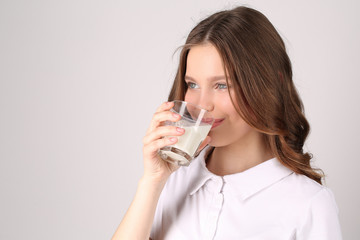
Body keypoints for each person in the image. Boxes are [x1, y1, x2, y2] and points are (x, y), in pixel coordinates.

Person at [112, 6, 342, 240]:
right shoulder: (171, 181)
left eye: (221, 85)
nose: (202, 104)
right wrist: (152, 182)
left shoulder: (308, 204)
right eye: (192, 84)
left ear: (270, 84)